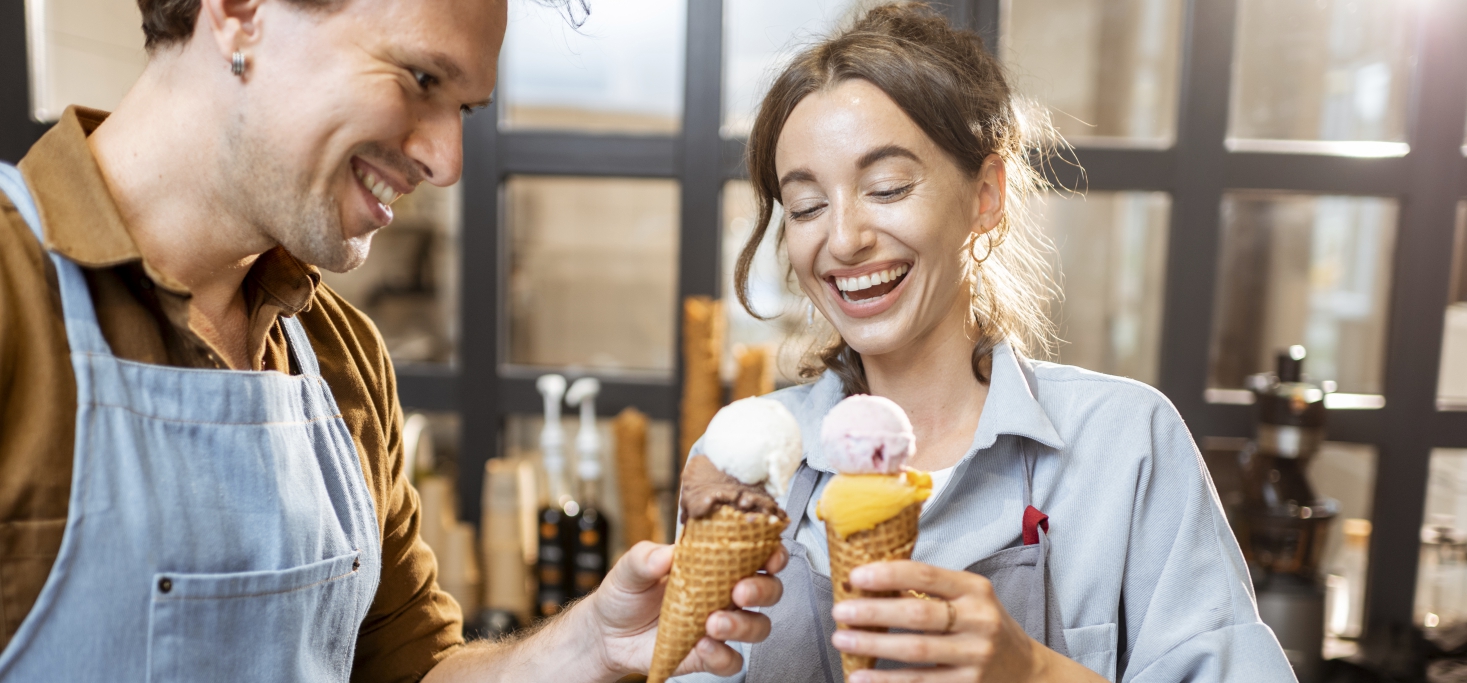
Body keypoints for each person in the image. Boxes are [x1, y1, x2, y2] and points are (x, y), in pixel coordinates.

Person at [0, 0, 783, 681]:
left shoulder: (339, 353)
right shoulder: (15, 299)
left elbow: (409, 670)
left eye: (465, 110)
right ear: (239, 10)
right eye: (420, 79)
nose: (446, 162)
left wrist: (585, 645)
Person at [675, 4, 1296, 682]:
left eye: (886, 187)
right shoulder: (745, 461)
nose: (844, 237)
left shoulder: (1126, 444)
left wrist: (1033, 671)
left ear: (986, 195)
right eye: (806, 206)